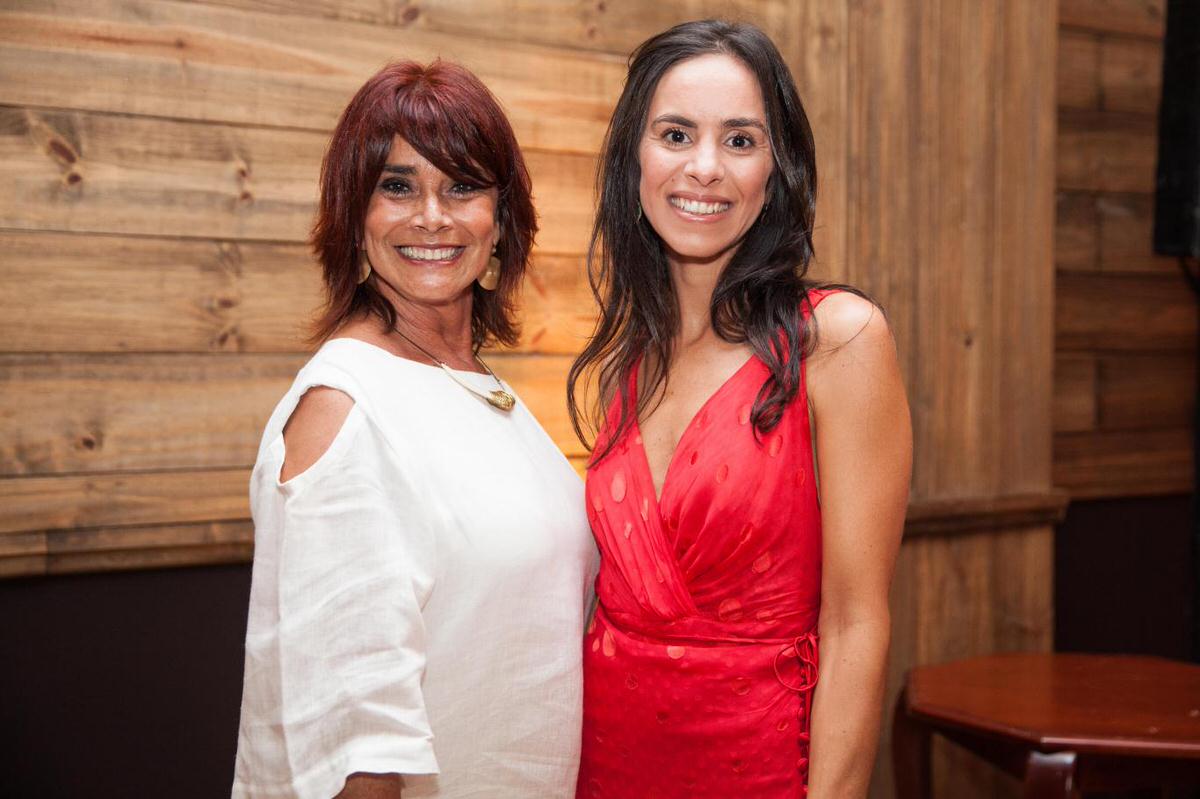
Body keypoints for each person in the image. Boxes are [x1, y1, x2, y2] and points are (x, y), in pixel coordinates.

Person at [232, 60, 597, 799]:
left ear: (501, 221)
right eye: (397, 187)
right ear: (354, 217)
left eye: (461, 186)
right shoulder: (347, 406)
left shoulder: (479, 385)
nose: (432, 216)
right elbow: (355, 741)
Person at [567, 20, 912, 798]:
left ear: (776, 169)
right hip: (604, 764)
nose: (704, 167)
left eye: (740, 140)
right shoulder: (630, 360)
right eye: (676, 134)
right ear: (634, 160)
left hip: (758, 769)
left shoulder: (836, 339)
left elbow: (857, 624)